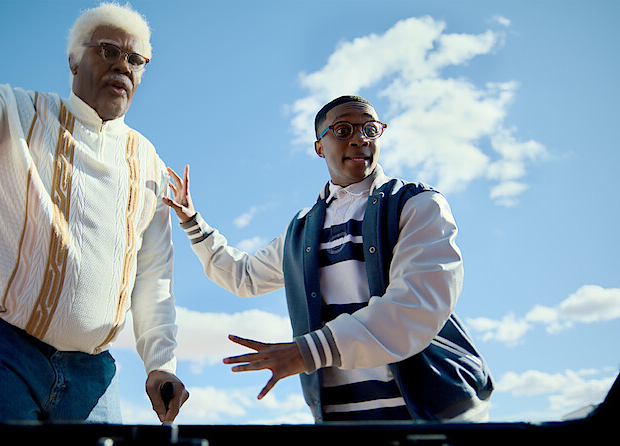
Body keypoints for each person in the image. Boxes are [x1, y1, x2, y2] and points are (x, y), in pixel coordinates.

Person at [0, 0, 188, 423]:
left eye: (135, 59)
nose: (123, 66)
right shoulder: (17, 115)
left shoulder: (150, 163)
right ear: (74, 60)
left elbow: (153, 274)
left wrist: (161, 363)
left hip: (92, 377)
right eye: (107, 51)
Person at [164, 95, 489, 422]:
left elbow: (416, 305)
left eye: (370, 129)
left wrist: (307, 352)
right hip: (344, 419)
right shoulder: (304, 231)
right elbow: (243, 275)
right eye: (344, 130)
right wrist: (192, 222)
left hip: (434, 412)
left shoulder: (417, 204)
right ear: (320, 147)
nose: (360, 139)